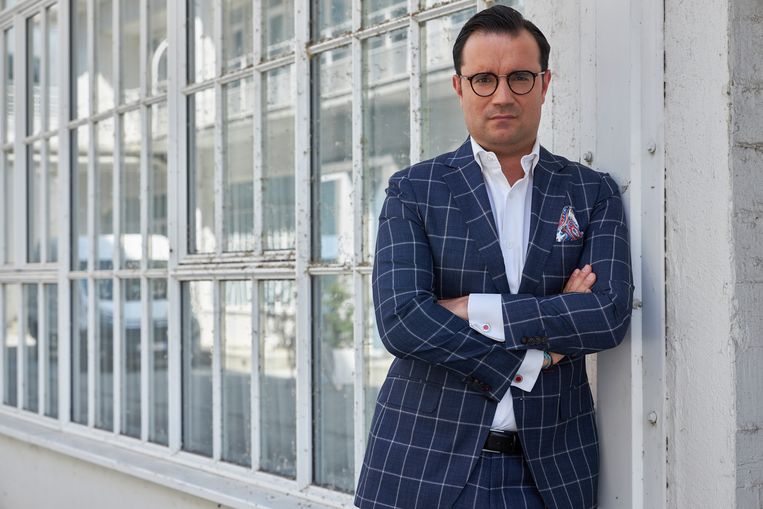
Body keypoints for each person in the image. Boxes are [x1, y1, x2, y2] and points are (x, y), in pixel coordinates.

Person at [354, 5, 633, 509]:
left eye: (520, 77)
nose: (502, 95)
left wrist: (474, 308)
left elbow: (606, 315)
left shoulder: (592, 193)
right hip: (422, 465)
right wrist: (535, 356)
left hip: (548, 473)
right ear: (459, 87)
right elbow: (402, 321)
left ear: (545, 84)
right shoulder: (413, 190)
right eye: (483, 79)